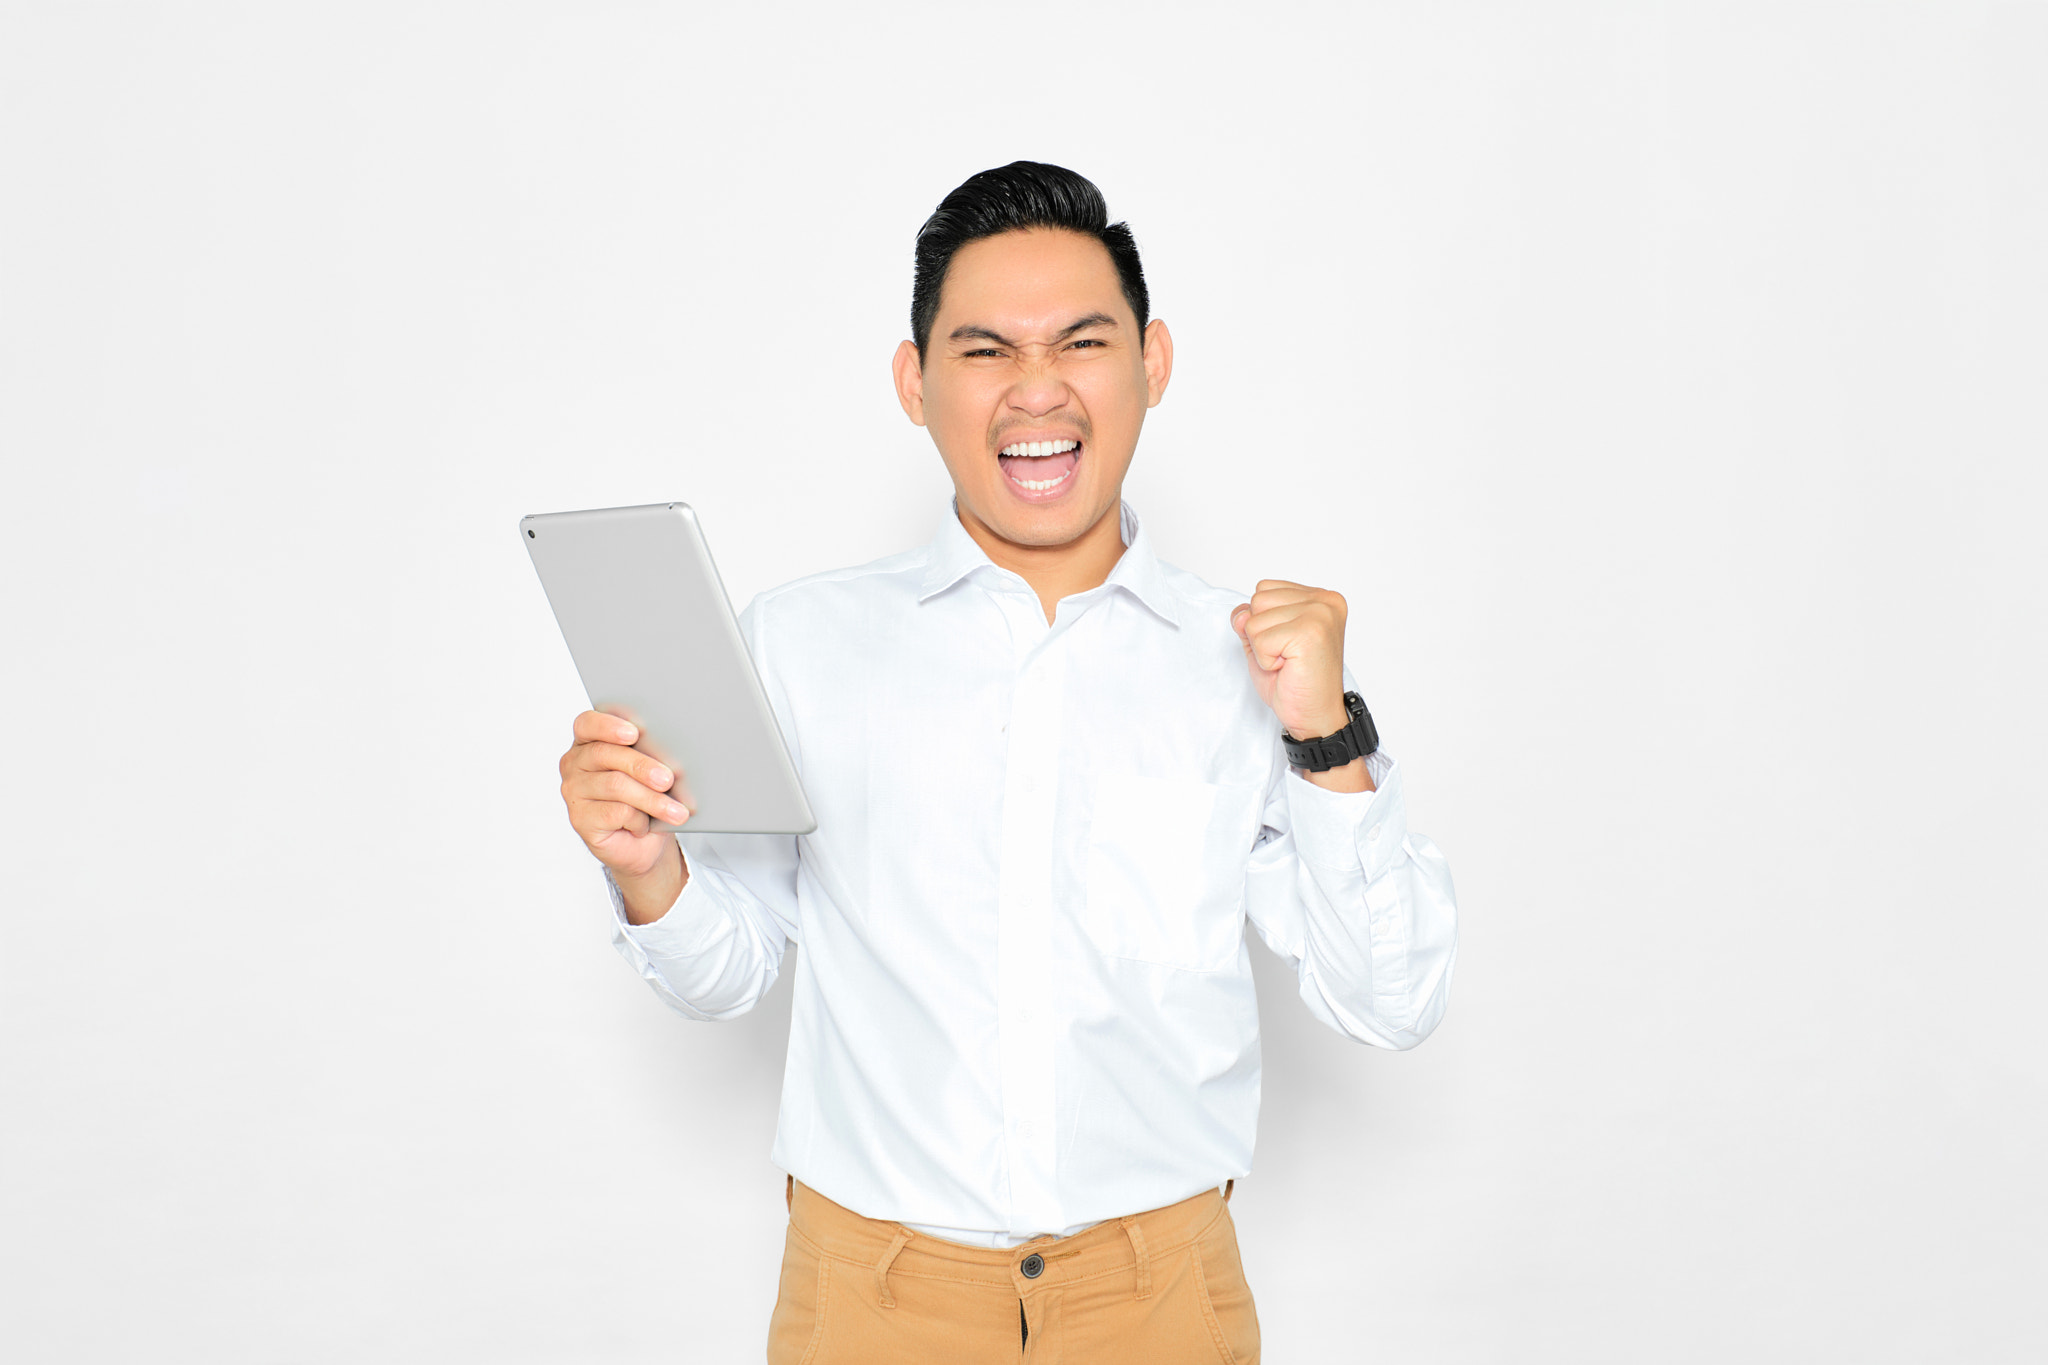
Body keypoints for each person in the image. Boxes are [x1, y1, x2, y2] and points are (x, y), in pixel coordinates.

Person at [554, 161, 1458, 1364]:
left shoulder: (1250, 663)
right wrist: (645, 870)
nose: (1037, 390)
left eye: (1081, 342)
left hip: (1158, 1299)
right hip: (869, 1298)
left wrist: (1326, 737)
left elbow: (1389, 1003)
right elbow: (724, 975)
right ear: (912, 383)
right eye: (983, 351)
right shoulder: (799, 642)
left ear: (1153, 362)